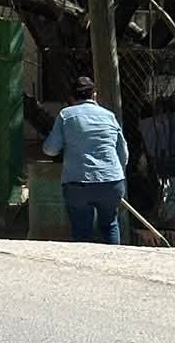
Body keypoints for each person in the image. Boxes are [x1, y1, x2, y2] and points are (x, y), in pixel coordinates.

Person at [43, 77, 129, 244]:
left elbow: (51, 149)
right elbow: (123, 153)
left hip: (77, 183)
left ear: (71, 97)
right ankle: (114, 258)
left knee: (82, 230)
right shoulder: (109, 116)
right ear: (94, 95)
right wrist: (115, 176)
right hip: (112, 182)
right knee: (110, 225)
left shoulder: (65, 115)